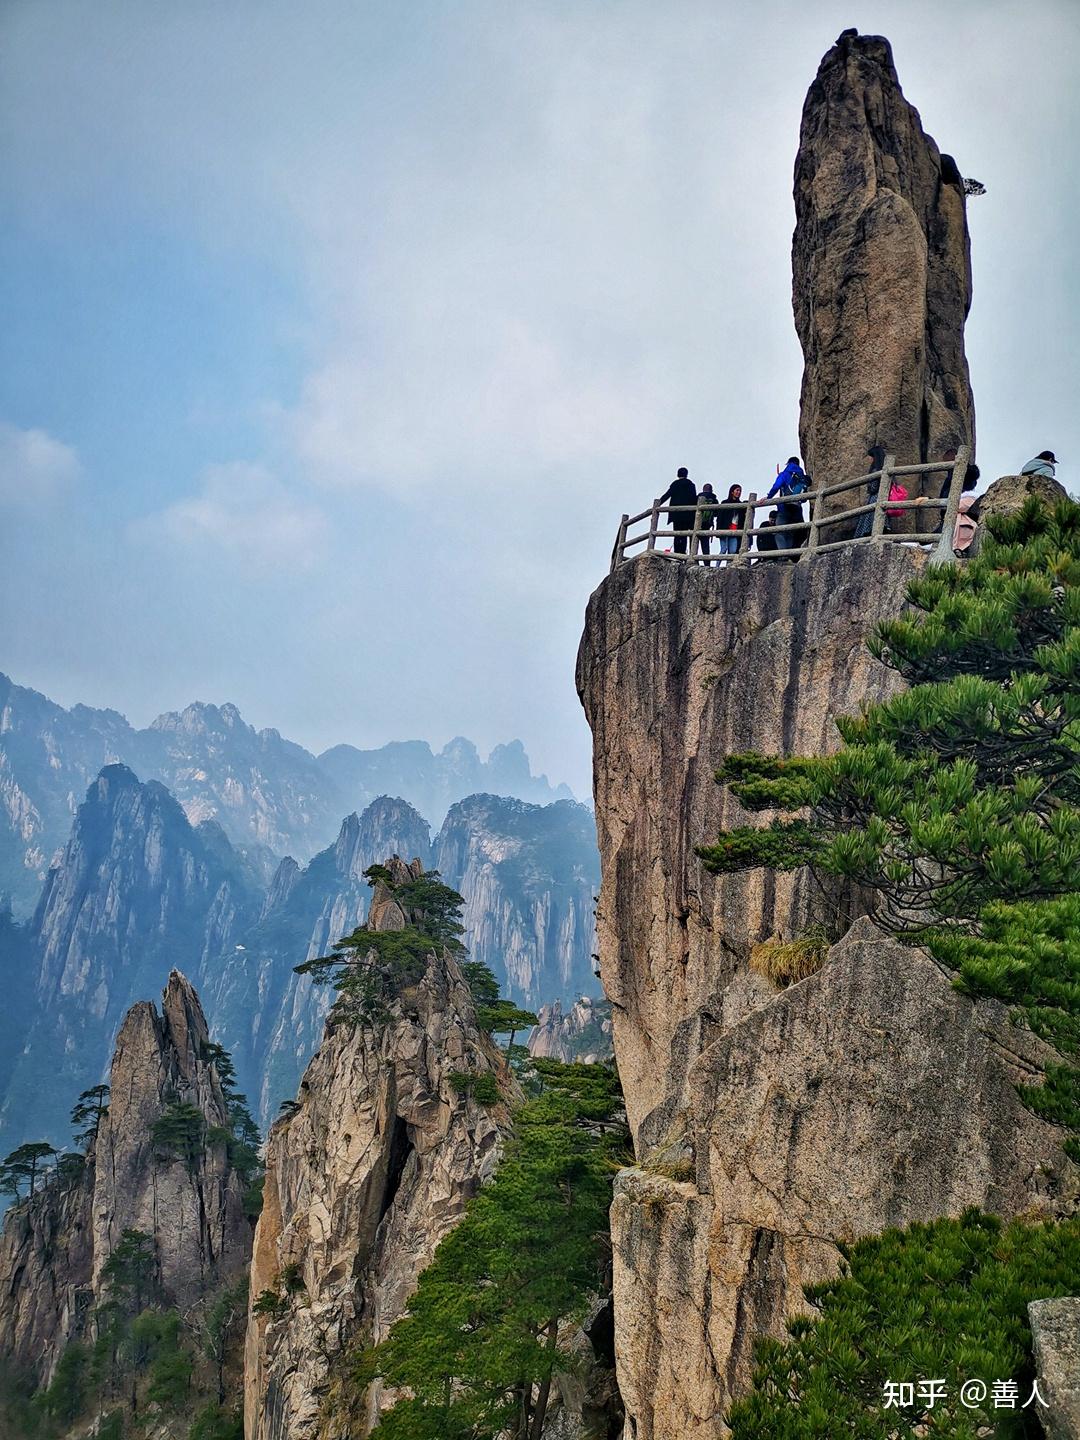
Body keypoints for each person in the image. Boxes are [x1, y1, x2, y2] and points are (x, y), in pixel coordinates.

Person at [766, 457, 809, 551]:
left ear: (788, 463)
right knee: (791, 533)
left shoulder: (785, 474)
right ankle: (791, 555)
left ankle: (783, 555)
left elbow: (776, 486)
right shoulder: (801, 476)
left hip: (784, 508)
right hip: (797, 508)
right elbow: (804, 498)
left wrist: (768, 497)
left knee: (779, 531)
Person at [657, 467, 698, 555]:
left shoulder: (675, 484)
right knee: (684, 534)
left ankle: (677, 554)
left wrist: (658, 504)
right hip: (688, 514)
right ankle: (683, 553)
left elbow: (667, 495)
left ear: (678, 474)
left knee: (677, 534)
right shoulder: (691, 485)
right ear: (686, 475)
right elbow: (694, 499)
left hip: (676, 514)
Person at [854, 445, 887, 538]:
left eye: (870, 457)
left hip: (875, 498)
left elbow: (873, 487)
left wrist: (869, 487)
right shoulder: (884, 469)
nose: (869, 459)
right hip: (884, 498)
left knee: (870, 522)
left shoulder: (875, 470)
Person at [715, 484, 748, 559]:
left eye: (740, 491)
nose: (739, 492)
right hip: (724, 530)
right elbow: (719, 518)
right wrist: (718, 531)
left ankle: (728, 565)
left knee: (732, 551)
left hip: (735, 531)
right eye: (737, 490)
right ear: (732, 492)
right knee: (723, 550)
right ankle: (717, 565)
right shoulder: (725, 503)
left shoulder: (741, 505)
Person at [697, 483, 719, 564]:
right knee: (705, 545)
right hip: (707, 525)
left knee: (694, 542)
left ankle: (693, 560)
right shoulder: (714, 500)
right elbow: (716, 513)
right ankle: (707, 563)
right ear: (711, 490)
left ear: (703, 489)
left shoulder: (697, 498)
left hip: (696, 524)